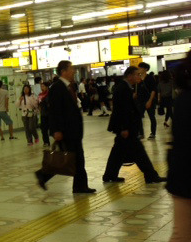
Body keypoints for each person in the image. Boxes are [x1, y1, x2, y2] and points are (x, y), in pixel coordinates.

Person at [155, 51, 191, 242]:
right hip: (188, 178)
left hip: (182, 177)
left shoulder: (184, 98)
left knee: (180, 237)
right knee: (180, 237)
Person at [35, 60, 95, 194]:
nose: (74, 71)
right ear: (64, 71)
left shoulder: (69, 86)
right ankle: (79, 186)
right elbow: (55, 111)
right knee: (75, 158)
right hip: (66, 131)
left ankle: (45, 175)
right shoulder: (57, 87)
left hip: (72, 130)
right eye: (72, 69)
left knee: (71, 158)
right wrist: (56, 130)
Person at [102, 67, 167, 185]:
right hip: (126, 128)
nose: (139, 77)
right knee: (139, 153)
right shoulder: (123, 88)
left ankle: (109, 175)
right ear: (130, 76)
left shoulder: (125, 87)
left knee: (118, 152)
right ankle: (151, 175)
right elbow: (121, 110)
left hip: (126, 127)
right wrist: (124, 128)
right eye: (137, 74)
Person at [137, 62, 157, 139]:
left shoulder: (150, 78)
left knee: (152, 117)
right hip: (140, 101)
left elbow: (153, 90)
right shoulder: (138, 78)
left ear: (145, 69)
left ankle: (153, 133)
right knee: (138, 117)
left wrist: (150, 101)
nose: (139, 69)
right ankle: (141, 133)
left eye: (140, 68)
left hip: (149, 100)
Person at [38, 82, 51, 147]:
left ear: (46, 87)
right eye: (41, 86)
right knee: (43, 129)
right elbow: (39, 104)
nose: (41, 87)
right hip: (43, 114)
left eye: (43, 86)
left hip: (49, 114)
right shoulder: (40, 95)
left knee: (51, 128)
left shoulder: (49, 94)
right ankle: (46, 142)